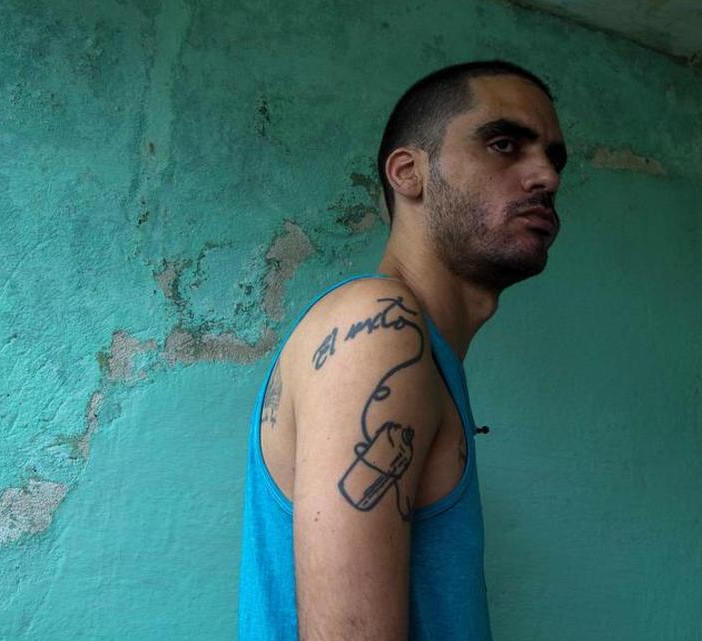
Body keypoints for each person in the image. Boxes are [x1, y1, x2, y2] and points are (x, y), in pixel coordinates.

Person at [239, 59, 567, 641]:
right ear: (409, 172)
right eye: (503, 144)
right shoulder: (377, 328)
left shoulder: (422, 355)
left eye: (553, 158)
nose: (545, 176)